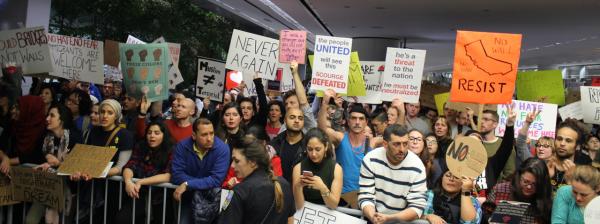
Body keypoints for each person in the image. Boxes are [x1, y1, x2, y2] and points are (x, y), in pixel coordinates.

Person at [359, 124, 427, 223]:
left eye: (405, 144)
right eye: (397, 144)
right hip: (374, 217)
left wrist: (389, 219)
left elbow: (417, 206)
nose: (402, 149)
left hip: (402, 221)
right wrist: (373, 217)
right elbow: (366, 195)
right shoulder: (371, 159)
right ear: (385, 144)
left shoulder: (417, 166)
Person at [26, 104, 82, 224]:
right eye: (47, 115)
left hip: (67, 189)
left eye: (52, 115)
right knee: (30, 220)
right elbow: (33, 156)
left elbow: (78, 164)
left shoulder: (75, 137)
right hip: (46, 187)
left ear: (62, 119)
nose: (47, 119)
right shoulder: (44, 136)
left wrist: (58, 163)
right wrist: (46, 157)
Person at [219, 136, 296, 224]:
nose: (232, 166)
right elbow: (290, 220)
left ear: (253, 162)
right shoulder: (284, 184)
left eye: (236, 161)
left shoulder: (239, 192)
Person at [318, 89, 371, 208]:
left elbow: (395, 138)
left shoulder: (373, 142)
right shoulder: (340, 138)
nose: (357, 122)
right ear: (348, 121)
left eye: (361, 119)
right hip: (342, 199)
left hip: (365, 201)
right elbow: (322, 129)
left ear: (366, 122)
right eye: (354, 118)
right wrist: (325, 103)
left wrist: (401, 112)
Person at [171, 118, 230, 224]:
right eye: (204, 135)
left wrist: (188, 183)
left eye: (211, 133)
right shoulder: (182, 146)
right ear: (194, 135)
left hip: (210, 200)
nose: (209, 138)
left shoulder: (222, 149)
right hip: (187, 198)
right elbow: (176, 175)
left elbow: (216, 180)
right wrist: (197, 183)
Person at [115, 121, 174, 223]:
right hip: (139, 194)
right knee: (122, 219)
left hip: (161, 198)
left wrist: (140, 182)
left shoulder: (172, 149)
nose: (152, 136)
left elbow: (168, 176)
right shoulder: (141, 146)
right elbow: (130, 166)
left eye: (157, 133)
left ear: (164, 135)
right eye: (149, 132)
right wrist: (128, 181)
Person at [486, 157, 553, 224]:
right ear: (519, 176)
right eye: (526, 182)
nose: (529, 187)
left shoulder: (544, 198)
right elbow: (486, 214)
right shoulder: (500, 190)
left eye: (534, 184)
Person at [292, 128, 342, 210]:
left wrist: (322, 188)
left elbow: (333, 205)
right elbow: (299, 206)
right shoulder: (298, 168)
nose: (313, 154)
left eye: (318, 149)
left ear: (326, 147)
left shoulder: (336, 169)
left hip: (327, 216)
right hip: (304, 215)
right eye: (310, 149)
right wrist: (298, 187)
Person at [552, 118, 592, 191]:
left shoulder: (584, 169)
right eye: (559, 139)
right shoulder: (545, 163)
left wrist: (571, 182)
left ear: (577, 146)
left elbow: (582, 201)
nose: (562, 143)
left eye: (568, 141)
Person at [4, 95, 46, 166]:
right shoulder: (13, 124)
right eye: (15, 107)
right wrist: (5, 158)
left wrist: (9, 161)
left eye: (18, 108)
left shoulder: (43, 132)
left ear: (29, 111)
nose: (13, 111)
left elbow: (35, 157)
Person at [269, 107, 305, 183]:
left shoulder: (308, 145)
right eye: (292, 117)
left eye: (300, 118)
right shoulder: (276, 142)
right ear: (285, 120)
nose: (297, 121)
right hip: (279, 190)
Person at [279, 61, 317, 134]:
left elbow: (303, 102)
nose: (288, 106)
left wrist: (295, 73)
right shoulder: (284, 127)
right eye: (286, 104)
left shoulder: (308, 123)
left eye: (292, 103)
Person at [479, 109, 517, 182]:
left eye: (486, 119)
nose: (482, 122)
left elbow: (509, 173)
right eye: (480, 119)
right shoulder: (475, 142)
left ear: (495, 124)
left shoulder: (504, 145)